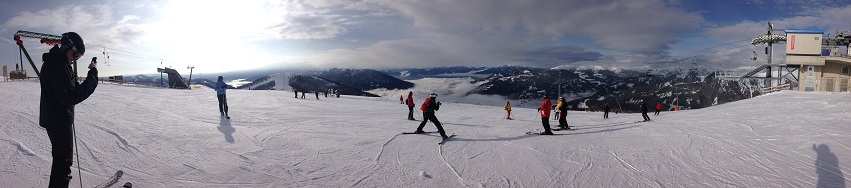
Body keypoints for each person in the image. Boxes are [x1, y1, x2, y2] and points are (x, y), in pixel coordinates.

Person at [40, 32, 99, 187]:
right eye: (76, 55)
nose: (75, 59)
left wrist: (90, 75)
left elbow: (71, 90)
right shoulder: (59, 66)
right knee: (63, 164)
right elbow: (70, 97)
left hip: (54, 118)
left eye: (78, 56)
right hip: (59, 121)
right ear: (68, 48)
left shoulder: (56, 63)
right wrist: (93, 76)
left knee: (60, 162)